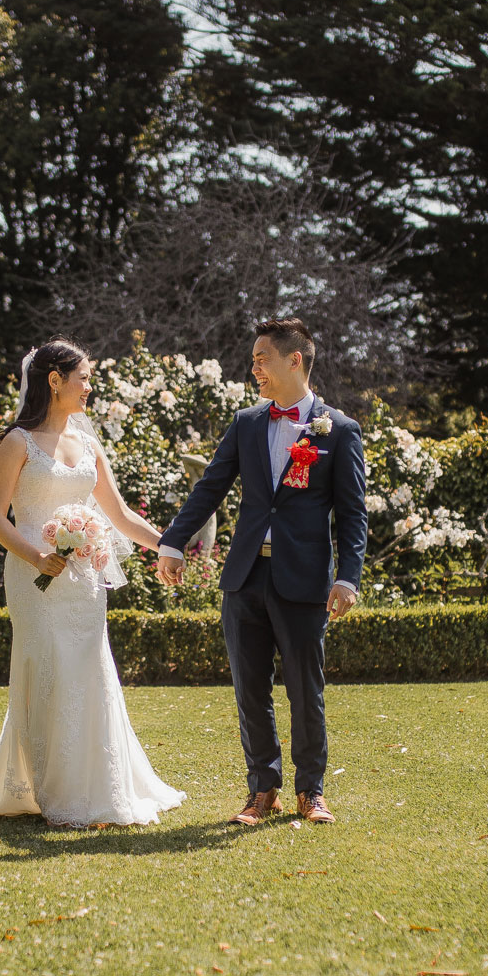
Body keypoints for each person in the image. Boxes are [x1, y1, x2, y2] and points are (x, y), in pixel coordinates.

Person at [0, 339, 186, 827]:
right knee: (46, 669)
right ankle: (50, 788)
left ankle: (97, 784)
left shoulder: (88, 445)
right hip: (32, 577)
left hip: (82, 581)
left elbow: (121, 516)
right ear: (54, 380)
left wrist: (169, 545)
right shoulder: (17, 443)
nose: (89, 387)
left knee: (88, 670)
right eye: (83, 377)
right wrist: (36, 555)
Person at [156, 318, 368, 825]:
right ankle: (262, 791)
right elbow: (211, 486)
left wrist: (348, 577)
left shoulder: (338, 430)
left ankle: (310, 792)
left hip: (303, 579)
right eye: (252, 360)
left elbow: (353, 513)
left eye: (261, 359)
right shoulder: (247, 422)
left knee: (304, 691)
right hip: (245, 578)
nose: (254, 369)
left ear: (294, 360)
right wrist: (173, 542)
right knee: (250, 689)